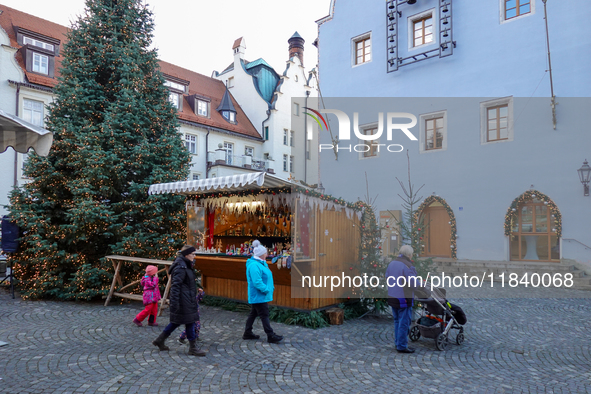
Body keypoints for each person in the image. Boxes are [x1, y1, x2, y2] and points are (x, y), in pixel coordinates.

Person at [152, 245, 205, 356]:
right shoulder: (181, 267)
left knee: (176, 322)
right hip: (183, 300)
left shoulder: (186, 264)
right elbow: (175, 286)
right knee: (190, 322)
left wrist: (195, 289)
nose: (195, 256)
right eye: (193, 254)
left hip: (187, 298)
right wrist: (174, 303)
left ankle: (160, 340)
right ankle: (193, 348)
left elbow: (187, 283)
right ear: (186, 254)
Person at [243, 240, 283, 343]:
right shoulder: (254, 265)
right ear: (261, 254)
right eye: (265, 252)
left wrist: (269, 288)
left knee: (253, 313)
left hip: (260, 294)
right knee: (264, 314)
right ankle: (270, 335)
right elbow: (257, 282)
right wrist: (266, 290)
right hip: (259, 295)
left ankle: (247, 333)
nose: (267, 254)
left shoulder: (261, 263)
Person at [385, 245, 418, 354]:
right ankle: (402, 346)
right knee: (404, 322)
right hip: (404, 298)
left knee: (396, 321)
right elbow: (413, 283)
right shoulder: (408, 266)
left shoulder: (392, 263)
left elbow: (387, 277)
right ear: (409, 255)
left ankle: (398, 342)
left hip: (392, 296)